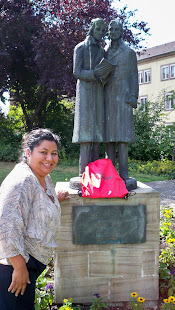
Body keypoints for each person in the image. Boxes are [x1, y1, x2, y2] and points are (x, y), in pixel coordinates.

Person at [0, 128, 70, 310]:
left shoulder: (42, 177)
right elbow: (6, 226)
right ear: (28, 152)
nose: (50, 158)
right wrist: (19, 268)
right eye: (44, 152)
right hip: (14, 266)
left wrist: (55, 199)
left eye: (54, 153)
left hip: (28, 263)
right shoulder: (22, 181)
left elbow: (36, 201)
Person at [104, 20, 139, 189]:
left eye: (117, 29)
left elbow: (133, 75)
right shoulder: (104, 51)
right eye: (111, 29)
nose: (114, 31)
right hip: (108, 97)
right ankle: (110, 172)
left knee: (123, 138)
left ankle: (124, 173)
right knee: (109, 137)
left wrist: (133, 95)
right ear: (108, 32)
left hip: (124, 97)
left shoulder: (129, 52)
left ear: (121, 32)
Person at [72, 18, 107, 176]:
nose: (100, 33)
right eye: (98, 29)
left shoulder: (102, 50)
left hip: (99, 93)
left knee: (98, 135)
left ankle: (94, 173)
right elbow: (77, 72)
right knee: (86, 135)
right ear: (92, 29)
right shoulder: (80, 48)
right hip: (85, 94)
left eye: (102, 30)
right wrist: (94, 74)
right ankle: (83, 174)